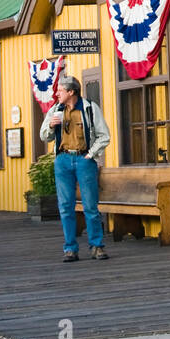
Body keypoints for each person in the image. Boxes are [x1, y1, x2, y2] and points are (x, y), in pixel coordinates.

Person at [40, 75, 111, 262]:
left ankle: (97, 246)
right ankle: (70, 248)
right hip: (62, 160)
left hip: (84, 159)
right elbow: (44, 136)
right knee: (65, 206)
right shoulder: (55, 110)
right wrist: (50, 126)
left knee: (90, 206)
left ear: (71, 92)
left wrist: (91, 154)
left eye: (60, 91)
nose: (57, 94)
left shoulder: (89, 109)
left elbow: (104, 136)